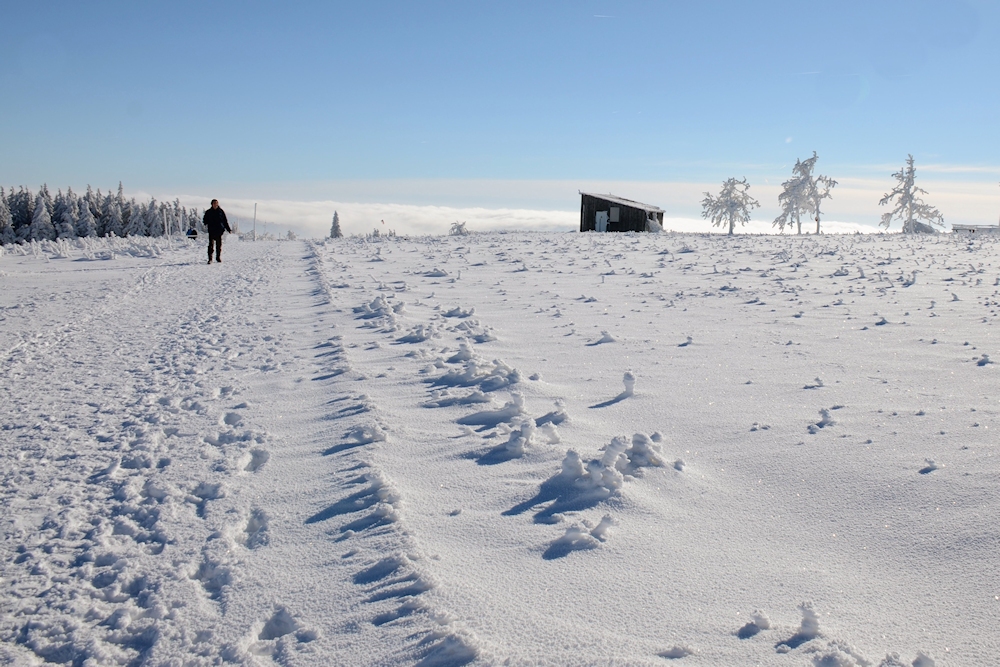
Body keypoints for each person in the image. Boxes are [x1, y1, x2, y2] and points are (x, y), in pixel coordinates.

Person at [203, 199, 232, 264]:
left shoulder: (221, 212)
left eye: (217, 203)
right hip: (211, 230)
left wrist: (228, 229)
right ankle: (210, 259)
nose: (216, 205)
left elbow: (225, 221)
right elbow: (205, 219)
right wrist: (205, 222)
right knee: (211, 245)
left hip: (219, 231)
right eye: (214, 203)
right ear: (212, 204)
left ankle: (218, 257)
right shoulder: (208, 212)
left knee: (219, 245)